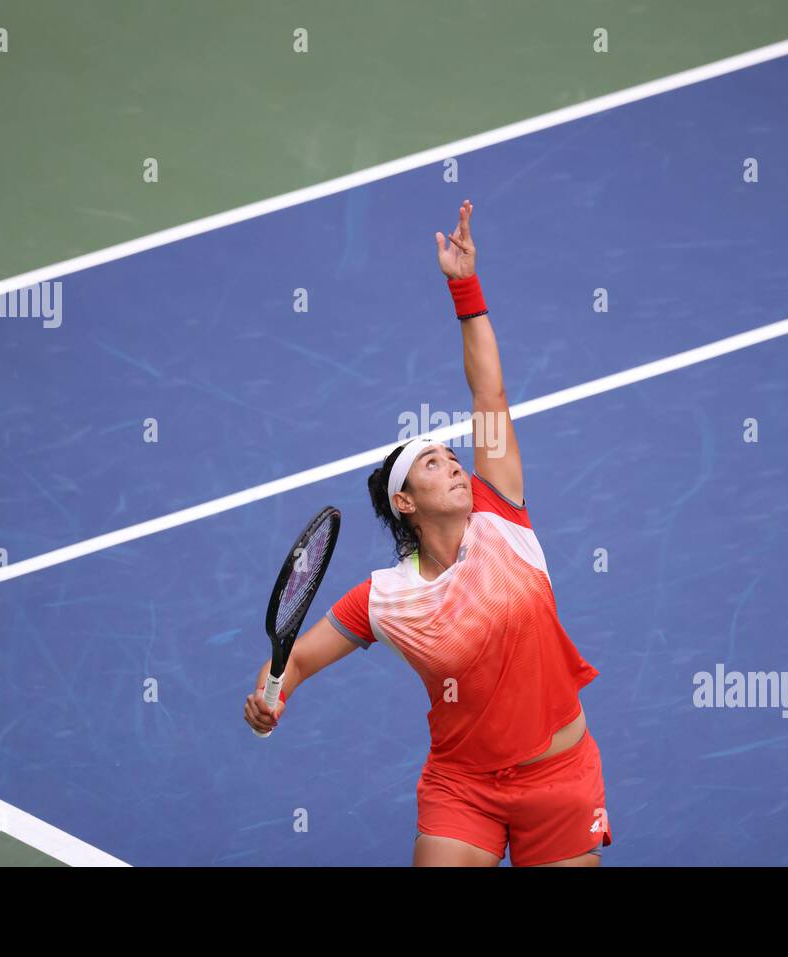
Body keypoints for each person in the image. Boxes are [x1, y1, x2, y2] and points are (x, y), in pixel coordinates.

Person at [245, 200, 611, 866]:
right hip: (462, 785)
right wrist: (270, 698)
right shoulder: (383, 598)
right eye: (434, 463)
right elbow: (294, 657)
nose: (455, 465)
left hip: (560, 777)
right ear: (407, 502)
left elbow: (489, 396)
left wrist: (464, 287)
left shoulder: (503, 515)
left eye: (453, 455)